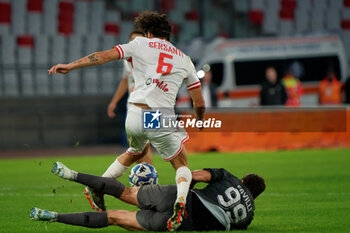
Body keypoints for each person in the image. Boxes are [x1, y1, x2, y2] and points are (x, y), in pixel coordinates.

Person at [48, 11, 205, 231]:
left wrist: (71, 66)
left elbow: (102, 56)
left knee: (136, 152)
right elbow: (198, 102)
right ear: (168, 35)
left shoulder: (139, 43)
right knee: (181, 164)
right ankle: (181, 200)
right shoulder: (184, 59)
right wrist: (199, 120)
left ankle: (97, 185)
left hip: (134, 114)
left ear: (148, 32)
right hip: (158, 116)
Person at [30, 161, 266, 231]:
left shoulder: (229, 177)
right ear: (254, 196)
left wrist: (184, 188)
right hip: (183, 223)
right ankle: (53, 216)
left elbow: (195, 175)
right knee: (114, 217)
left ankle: (72, 174)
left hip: (182, 199)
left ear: (243, 181)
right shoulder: (249, 217)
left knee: (125, 192)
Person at [107, 29, 153, 165]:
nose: (135, 43)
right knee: (135, 144)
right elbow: (125, 80)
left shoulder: (150, 60)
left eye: (139, 41)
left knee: (144, 144)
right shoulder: (127, 60)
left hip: (149, 104)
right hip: (133, 104)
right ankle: (144, 178)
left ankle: (151, 179)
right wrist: (114, 102)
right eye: (133, 41)